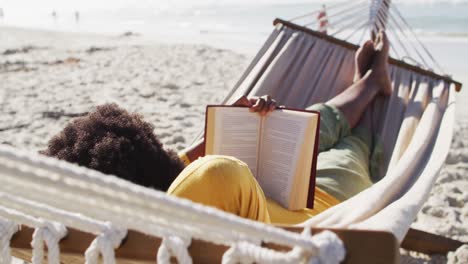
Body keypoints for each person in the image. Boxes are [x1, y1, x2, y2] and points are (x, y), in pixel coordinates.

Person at [41, 32, 391, 225]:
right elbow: (213, 171)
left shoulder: (158, 208)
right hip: (329, 196)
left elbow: (170, 168)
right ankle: (373, 85)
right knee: (351, 145)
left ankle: (367, 83)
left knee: (310, 124)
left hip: (266, 187)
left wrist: (211, 138)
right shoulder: (206, 185)